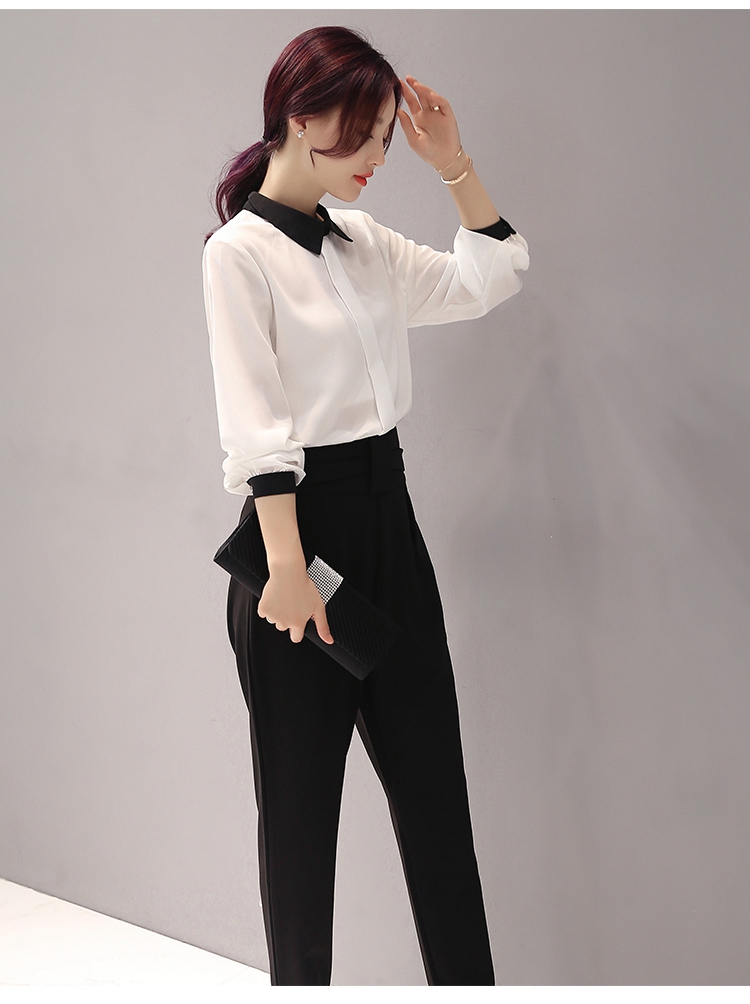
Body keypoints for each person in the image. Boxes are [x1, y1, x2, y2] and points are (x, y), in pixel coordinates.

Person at [202, 25, 530, 987]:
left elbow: (487, 279)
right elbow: (256, 422)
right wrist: (288, 568)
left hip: (392, 527)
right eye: (368, 133)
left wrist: (454, 165)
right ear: (302, 119)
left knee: (438, 804)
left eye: (388, 136)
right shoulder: (240, 254)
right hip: (298, 544)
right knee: (300, 823)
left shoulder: (367, 243)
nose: (381, 155)